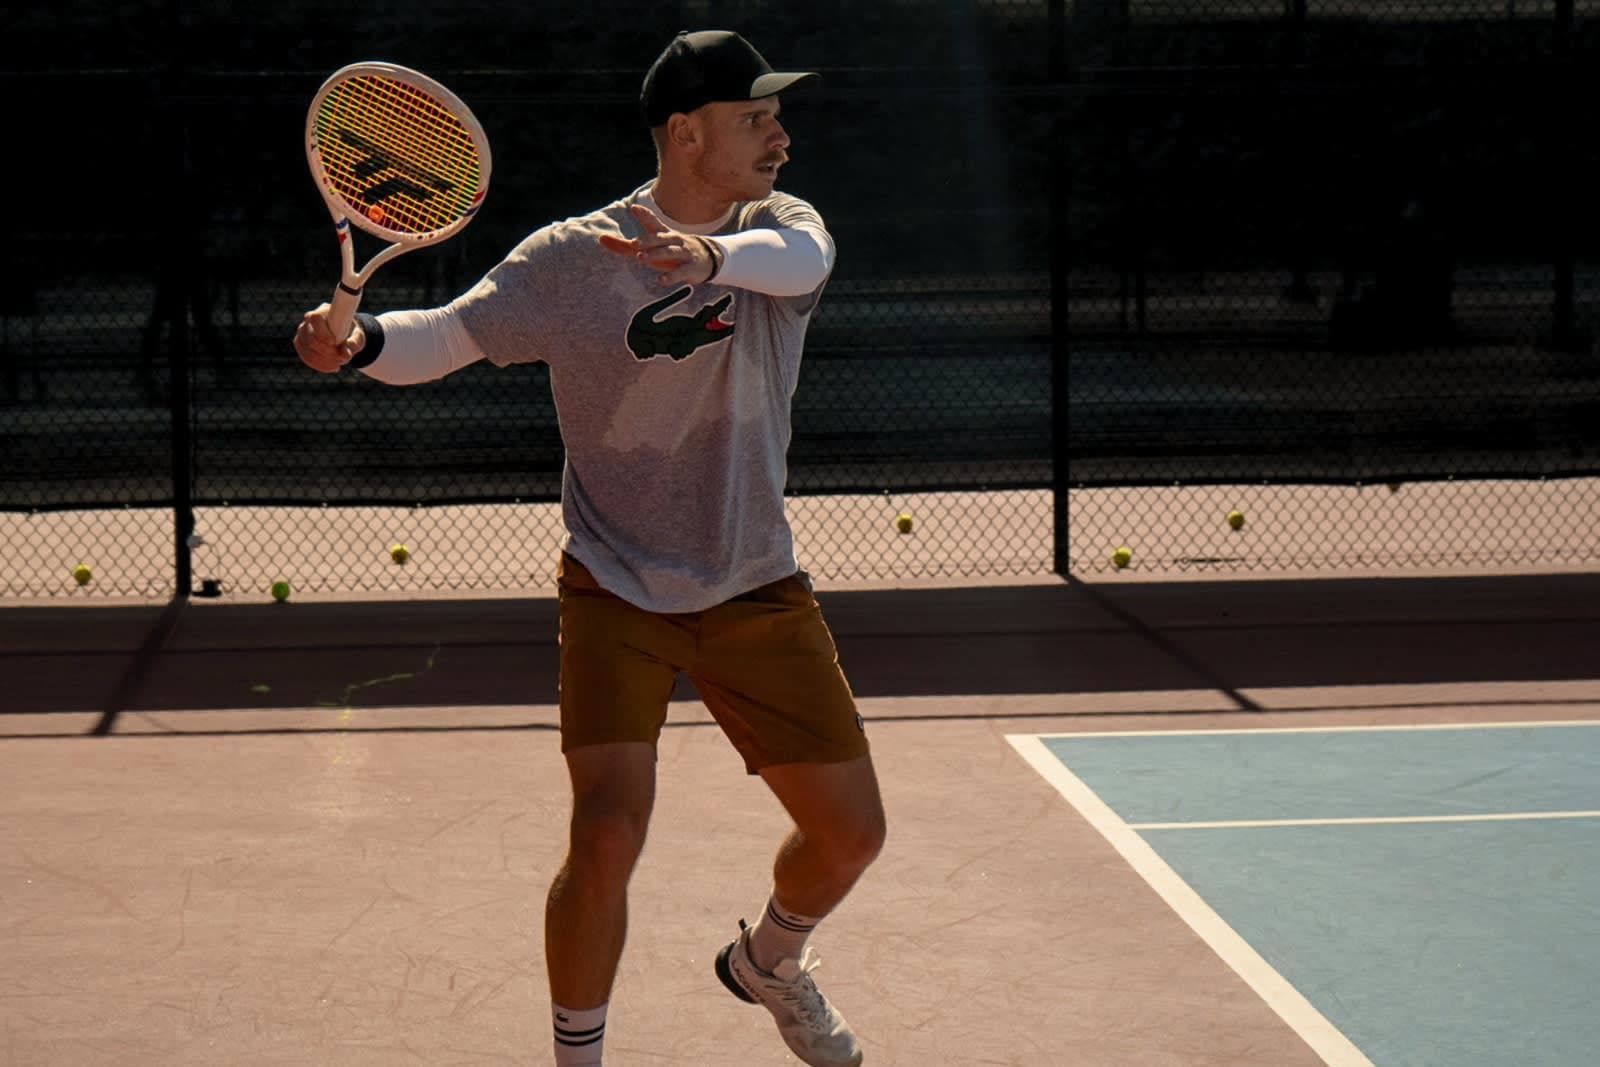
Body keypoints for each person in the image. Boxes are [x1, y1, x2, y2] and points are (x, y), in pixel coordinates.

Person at [292, 29, 885, 1067]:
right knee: (606, 830)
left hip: (752, 580)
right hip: (614, 583)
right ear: (685, 130)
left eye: (776, 115)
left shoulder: (776, 228)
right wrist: (360, 341)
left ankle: (769, 963)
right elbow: (446, 335)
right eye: (755, 117)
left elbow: (803, 260)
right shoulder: (571, 258)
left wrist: (704, 256)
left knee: (851, 835)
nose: (780, 135)